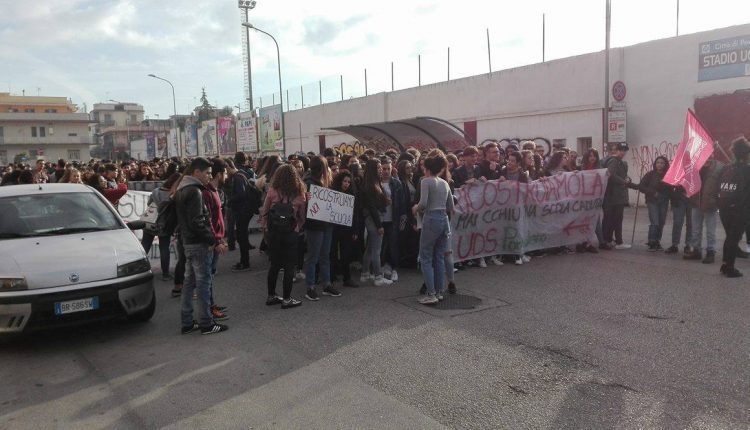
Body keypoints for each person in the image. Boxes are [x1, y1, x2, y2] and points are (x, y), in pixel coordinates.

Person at [174, 157, 227, 335]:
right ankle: (206, 323)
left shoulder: (182, 189)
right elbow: (199, 222)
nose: (209, 176)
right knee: (203, 283)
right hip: (199, 245)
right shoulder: (195, 192)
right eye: (207, 173)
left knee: (189, 284)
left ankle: (187, 321)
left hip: (188, 243)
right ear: (196, 172)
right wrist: (213, 241)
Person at [259, 164, 305, 308]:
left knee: (274, 265)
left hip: (274, 233)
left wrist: (265, 229)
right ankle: (286, 299)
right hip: (291, 232)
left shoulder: (272, 191)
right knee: (289, 265)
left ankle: (271, 296)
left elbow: (265, 211)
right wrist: (299, 227)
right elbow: (302, 215)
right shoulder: (300, 193)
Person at [413, 150, 454, 305]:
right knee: (439, 257)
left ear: (426, 168)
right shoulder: (445, 183)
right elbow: (451, 205)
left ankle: (431, 293)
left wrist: (415, 208)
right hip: (444, 219)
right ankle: (438, 291)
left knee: (425, 257)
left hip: (431, 219)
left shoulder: (426, 181)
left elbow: (423, 203)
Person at [303, 156, 341, 299]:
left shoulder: (323, 183)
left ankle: (326, 284)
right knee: (315, 256)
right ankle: (311, 286)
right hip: (315, 225)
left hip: (325, 224)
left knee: (324, 255)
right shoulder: (309, 183)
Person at [718, 137, 750, 278]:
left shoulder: (726, 168)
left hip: (724, 208)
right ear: (745, 154)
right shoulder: (747, 170)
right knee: (734, 238)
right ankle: (729, 267)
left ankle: (725, 264)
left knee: (730, 237)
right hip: (740, 209)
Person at [203, 159, 229, 321]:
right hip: (210, 242)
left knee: (210, 275)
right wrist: (216, 241)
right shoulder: (207, 192)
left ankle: (211, 305)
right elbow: (207, 220)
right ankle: (208, 311)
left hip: (216, 239)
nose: (227, 175)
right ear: (219, 174)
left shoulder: (214, 190)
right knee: (206, 278)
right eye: (225, 172)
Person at [360, 158, 393, 286]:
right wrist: (379, 226)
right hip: (374, 219)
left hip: (372, 218)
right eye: (379, 167)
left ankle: (365, 273)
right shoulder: (370, 185)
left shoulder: (372, 183)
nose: (381, 169)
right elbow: (372, 208)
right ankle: (378, 276)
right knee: (376, 249)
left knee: (369, 248)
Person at [141, 173, 181, 281]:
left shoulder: (156, 191)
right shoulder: (174, 195)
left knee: (144, 247)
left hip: (150, 222)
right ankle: (165, 274)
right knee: (164, 248)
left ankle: (139, 271)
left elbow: (149, 204)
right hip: (165, 225)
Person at [684, 158, 724, 263]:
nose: (708, 157)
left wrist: (717, 199)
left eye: (711, 154)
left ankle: (711, 251)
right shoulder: (694, 166)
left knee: (711, 230)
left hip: (710, 203)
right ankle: (696, 250)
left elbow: (723, 184)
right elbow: (688, 181)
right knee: (695, 229)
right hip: (696, 201)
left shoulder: (720, 167)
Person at [602, 143, 637, 250]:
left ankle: (608, 239)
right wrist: (624, 182)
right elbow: (610, 174)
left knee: (611, 219)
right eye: (621, 150)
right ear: (615, 150)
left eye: (624, 150)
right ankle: (617, 241)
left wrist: (627, 179)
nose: (623, 152)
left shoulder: (619, 161)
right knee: (615, 219)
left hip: (614, 195)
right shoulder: (614, 161)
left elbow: (620, 175)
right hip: (614, 195)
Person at [330, 171, 360, 288]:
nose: (347, 184)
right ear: (339, 181)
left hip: (346, 229)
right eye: (345, 181)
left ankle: (347, 278)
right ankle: (331, 278)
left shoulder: (352, 195)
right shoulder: (333, 193)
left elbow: (355, 214)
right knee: (332, 253)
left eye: (349, 182)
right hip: (334, 228)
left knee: (345, 254)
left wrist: (355, 230)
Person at [379, 156, 404, 282]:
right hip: (380, 219)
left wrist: (401, 220)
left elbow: (401, 203)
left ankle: (394, 269)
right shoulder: (376, 183)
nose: (386, 171)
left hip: (392, 219)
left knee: (393, 244)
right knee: (381, 245)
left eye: (388, 168)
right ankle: (382, 267)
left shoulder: (396, 183)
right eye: (384, 168)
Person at [638, 156, 670, 251]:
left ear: (665, 165)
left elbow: (671, 189)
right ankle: (651, 242)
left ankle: (657, 241)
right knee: (655, 222)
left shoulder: (668, 175)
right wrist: (652, 192)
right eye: (658, 162)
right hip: (652, 201)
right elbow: (641, 186)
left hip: (663, 201)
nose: (660, 164)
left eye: (662, 163)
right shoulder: (650, 174)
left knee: (661, 222)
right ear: (655, 164)